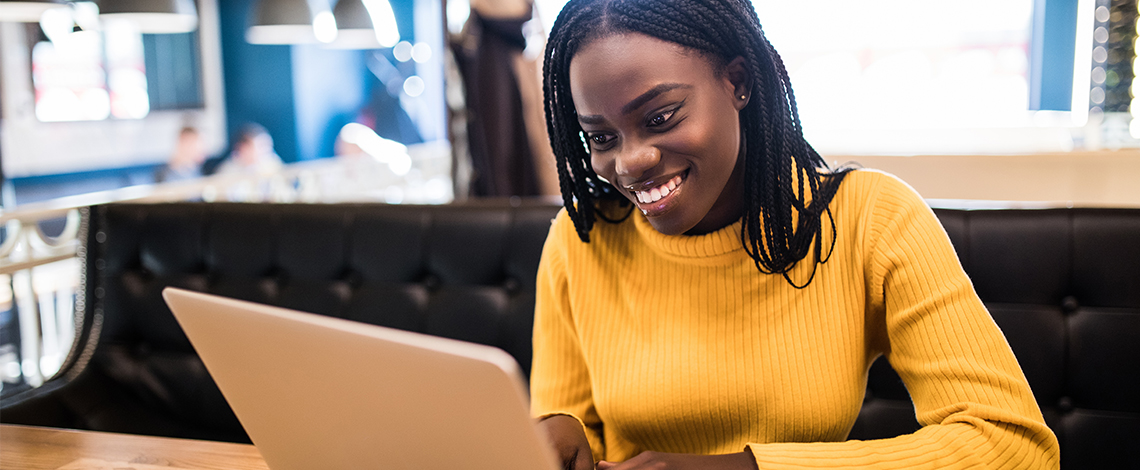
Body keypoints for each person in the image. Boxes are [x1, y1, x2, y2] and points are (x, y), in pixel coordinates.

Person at [529, 0, 1060, 468]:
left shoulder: (871, 219)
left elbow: (1011, 445)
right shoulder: (581, 241)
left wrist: (750, 469)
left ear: (738, 82)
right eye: (601, 136)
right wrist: (559, 434)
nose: (631, 161)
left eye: (662, 116)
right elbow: (566, 434)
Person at [213, 123, 283, 176]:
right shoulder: (227, 171)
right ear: (243, 148)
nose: (266, 151)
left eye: (268, 146)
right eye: (261, 146)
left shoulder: (273, 164)